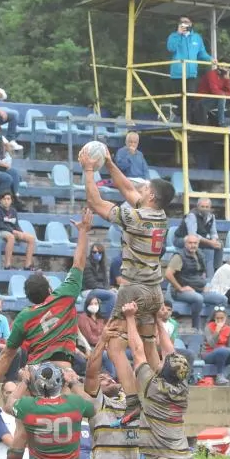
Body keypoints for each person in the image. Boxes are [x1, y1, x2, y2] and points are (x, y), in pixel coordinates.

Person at [105, 302, 210, 459]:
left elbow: (138, 351)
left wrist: (131, 318)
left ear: (163, 371)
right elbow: (171, 352)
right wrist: (159, 322)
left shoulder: (152, 387)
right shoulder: (183, 388)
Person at [0, 209, 94, 404]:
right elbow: (79, 262)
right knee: (75, 412)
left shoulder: (25, 316)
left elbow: (7, 353)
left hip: (34, 374)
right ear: (50, 288)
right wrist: (83, 231)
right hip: (63, 370)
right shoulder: (65, 296)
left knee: (26, 423)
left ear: (30, 298)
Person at [80, 144, 175, 342]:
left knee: (114, 343)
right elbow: (128, 189)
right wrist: (109, 163)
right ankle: (155, 373)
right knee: (149, 342)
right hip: (154, 289)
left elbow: (96, 203)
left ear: (150, 196)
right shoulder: (160, 214)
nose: (142, 187)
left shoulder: (136, 218)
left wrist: (89, 170)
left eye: (146, 187)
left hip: (134, 287)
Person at [165, 234, 228, 333]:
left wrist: (203, 285)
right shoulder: (179, 256)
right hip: (181, 291)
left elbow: (201, 272)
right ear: (185, 244)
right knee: (198, 298)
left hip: (199, 290)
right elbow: (168, 274)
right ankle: (195, 328)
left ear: (198, 244)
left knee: (222, 299)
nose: (193, 245)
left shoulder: (199, 254)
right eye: (190, 243)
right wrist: (180, 288)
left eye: (195, 243)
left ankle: (211, 327)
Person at [166, 16, 213, 120]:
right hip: (177, 73)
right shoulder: (173, 36)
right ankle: (181, 117)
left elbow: (202, 53)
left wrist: (212, 59)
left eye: (186, 22)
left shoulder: (197, 37)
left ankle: (186, 120)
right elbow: (171, 48)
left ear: (191, 24)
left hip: (191, 74)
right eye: (182, 22)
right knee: (181, 99)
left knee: (190, 98)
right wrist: (178, 34)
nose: (184, 24)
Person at [175, 197, 223, 277]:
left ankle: (217, 269)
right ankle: (201, 272)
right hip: (182, 239)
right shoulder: (192, 215)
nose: (205, 209)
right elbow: (192, 235)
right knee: (194, 243)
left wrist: (214, 241)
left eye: (207, 207)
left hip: (199, 240)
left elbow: (213, 232)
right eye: (202, 206)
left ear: (210, 208)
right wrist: (210, 242)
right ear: (198, 206)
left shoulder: (211, 217)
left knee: (219, 244)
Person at [0, 191, 36, 271]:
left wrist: (20, 233)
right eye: (4, 199)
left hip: (11, 232)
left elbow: (16, 225)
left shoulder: (13, 211)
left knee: (31, 238)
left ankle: (27, 266)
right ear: (0, 200)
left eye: (8, 199)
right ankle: (7, 266)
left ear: (11, 201)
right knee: (11, 237)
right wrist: (13, 231)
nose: (6, 201)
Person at [0, 122, 26, 210]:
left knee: (14, 173)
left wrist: (3, 163)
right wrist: (2, 163)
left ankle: (15, 197)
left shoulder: (2, 142)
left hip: (1, 166)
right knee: (8, 178)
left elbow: (8, 158)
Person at [201, 307, 230, 385]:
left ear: (225, 318)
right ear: (214, 318)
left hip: (223, 354)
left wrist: (226, 351)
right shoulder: (208, 327)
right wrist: (217, 331)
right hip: (208, 354)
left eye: (222, 318)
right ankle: (219, 375)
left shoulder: (228, 329)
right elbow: (211, 344)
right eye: (217, 318)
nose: (220, 320)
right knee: (222, 350)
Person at [82, 243, 115, 319]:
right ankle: (106, 320)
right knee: (111, 295)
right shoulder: (87, 264)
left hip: (99, 289)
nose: (97, 254)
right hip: (88, 290)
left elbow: (106, 281)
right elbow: (91, 284)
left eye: (99, 252)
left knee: (117, 292)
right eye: (94, 252)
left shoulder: (102, 264)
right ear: (91, 253)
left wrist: (108, 288)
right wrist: (106, 289)